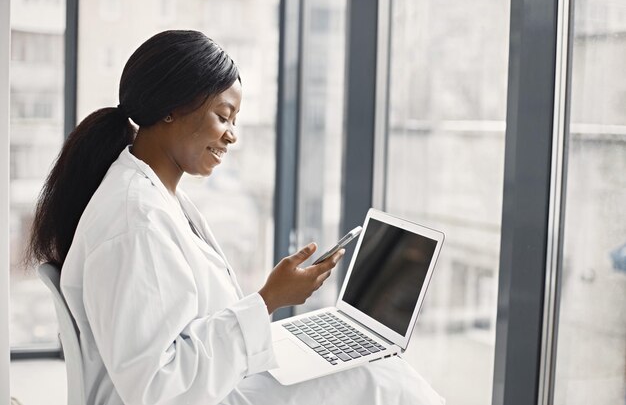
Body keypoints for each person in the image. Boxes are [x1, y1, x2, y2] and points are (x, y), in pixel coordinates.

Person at [27, 30, 443, 405]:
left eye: (235, 121)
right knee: (386, 381)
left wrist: (265, 305)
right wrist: (266, 302)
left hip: (214, 382)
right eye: (223, 117)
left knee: (379, 370)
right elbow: (156, 387)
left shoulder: (153, 195)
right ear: (172, 109)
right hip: (196, 395)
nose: (232, 134)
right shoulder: (136, 220)